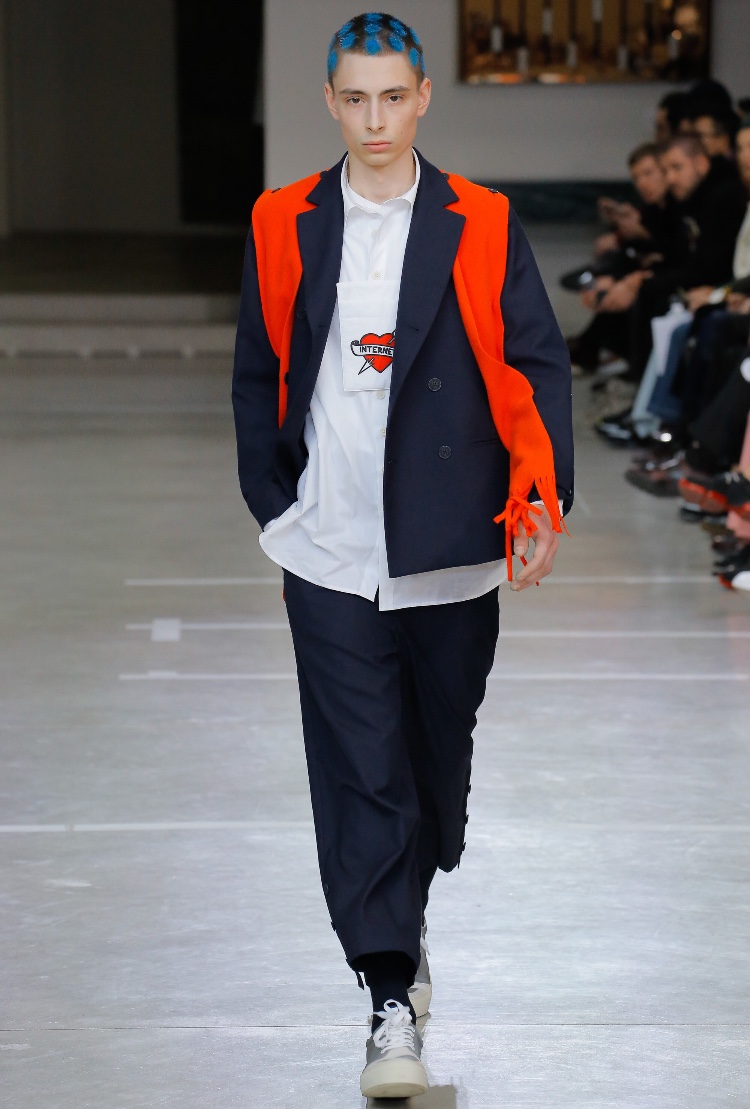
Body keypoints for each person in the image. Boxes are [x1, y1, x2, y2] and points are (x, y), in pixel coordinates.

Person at [232, 11, 573, 1100]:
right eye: (355, 98)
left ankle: (408, 911)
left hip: (452, 544)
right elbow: (258, 367)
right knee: (360, 770)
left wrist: (536, 498)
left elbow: (535, 362)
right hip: (329, 544)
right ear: (331, 102)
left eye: (393, 96)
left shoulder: (483, 218)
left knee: (431, 765)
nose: (374, 119)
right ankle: (387, 992)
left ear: (423, 97)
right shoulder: (283, 219)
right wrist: (276, 504)